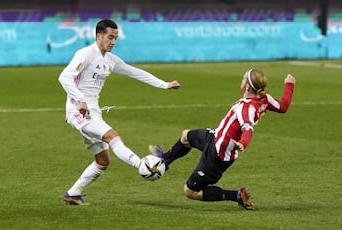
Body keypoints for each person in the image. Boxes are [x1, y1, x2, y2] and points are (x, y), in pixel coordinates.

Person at [58, 19, 180, 205]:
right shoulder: (85, 54)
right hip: (78, 110)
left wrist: (165, 85)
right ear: (99, 36)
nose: (113, 41)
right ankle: (142, 165)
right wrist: (80, 99)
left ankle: (73, 194)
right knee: (111, 136)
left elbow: (135, 72)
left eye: (115, 38)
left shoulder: (110, 60)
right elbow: (64, 77)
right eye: (110, 37)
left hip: (93, 111)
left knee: (102, 161)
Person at [150, 68, 295, 210]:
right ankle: (165, 161)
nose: (242, 80)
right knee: (186, 136)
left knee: (190, 191)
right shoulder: (264, 98)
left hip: (218, 154)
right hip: (215, 136)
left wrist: (243, 143)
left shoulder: (247, 108)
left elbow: (248, 129)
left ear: (247, 86)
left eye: (243, 79)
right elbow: (283, 106)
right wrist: (289, 84)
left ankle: (236, 195)